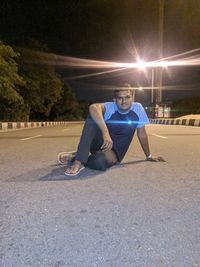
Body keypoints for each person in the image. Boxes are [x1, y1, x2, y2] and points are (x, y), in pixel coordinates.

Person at [60, 84, 164, 176]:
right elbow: (93, 107)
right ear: (115, 100)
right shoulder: (110, 107)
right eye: (120, 98)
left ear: (132, 98)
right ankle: (78, 161)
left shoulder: (138, 109)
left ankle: (79, 154)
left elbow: (142, 134)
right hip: (100, 142)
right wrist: (105, 133)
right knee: (93, 116)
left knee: (99, 162)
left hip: (114, 152)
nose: (124, 101)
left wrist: (149, 156)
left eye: (127, 97)